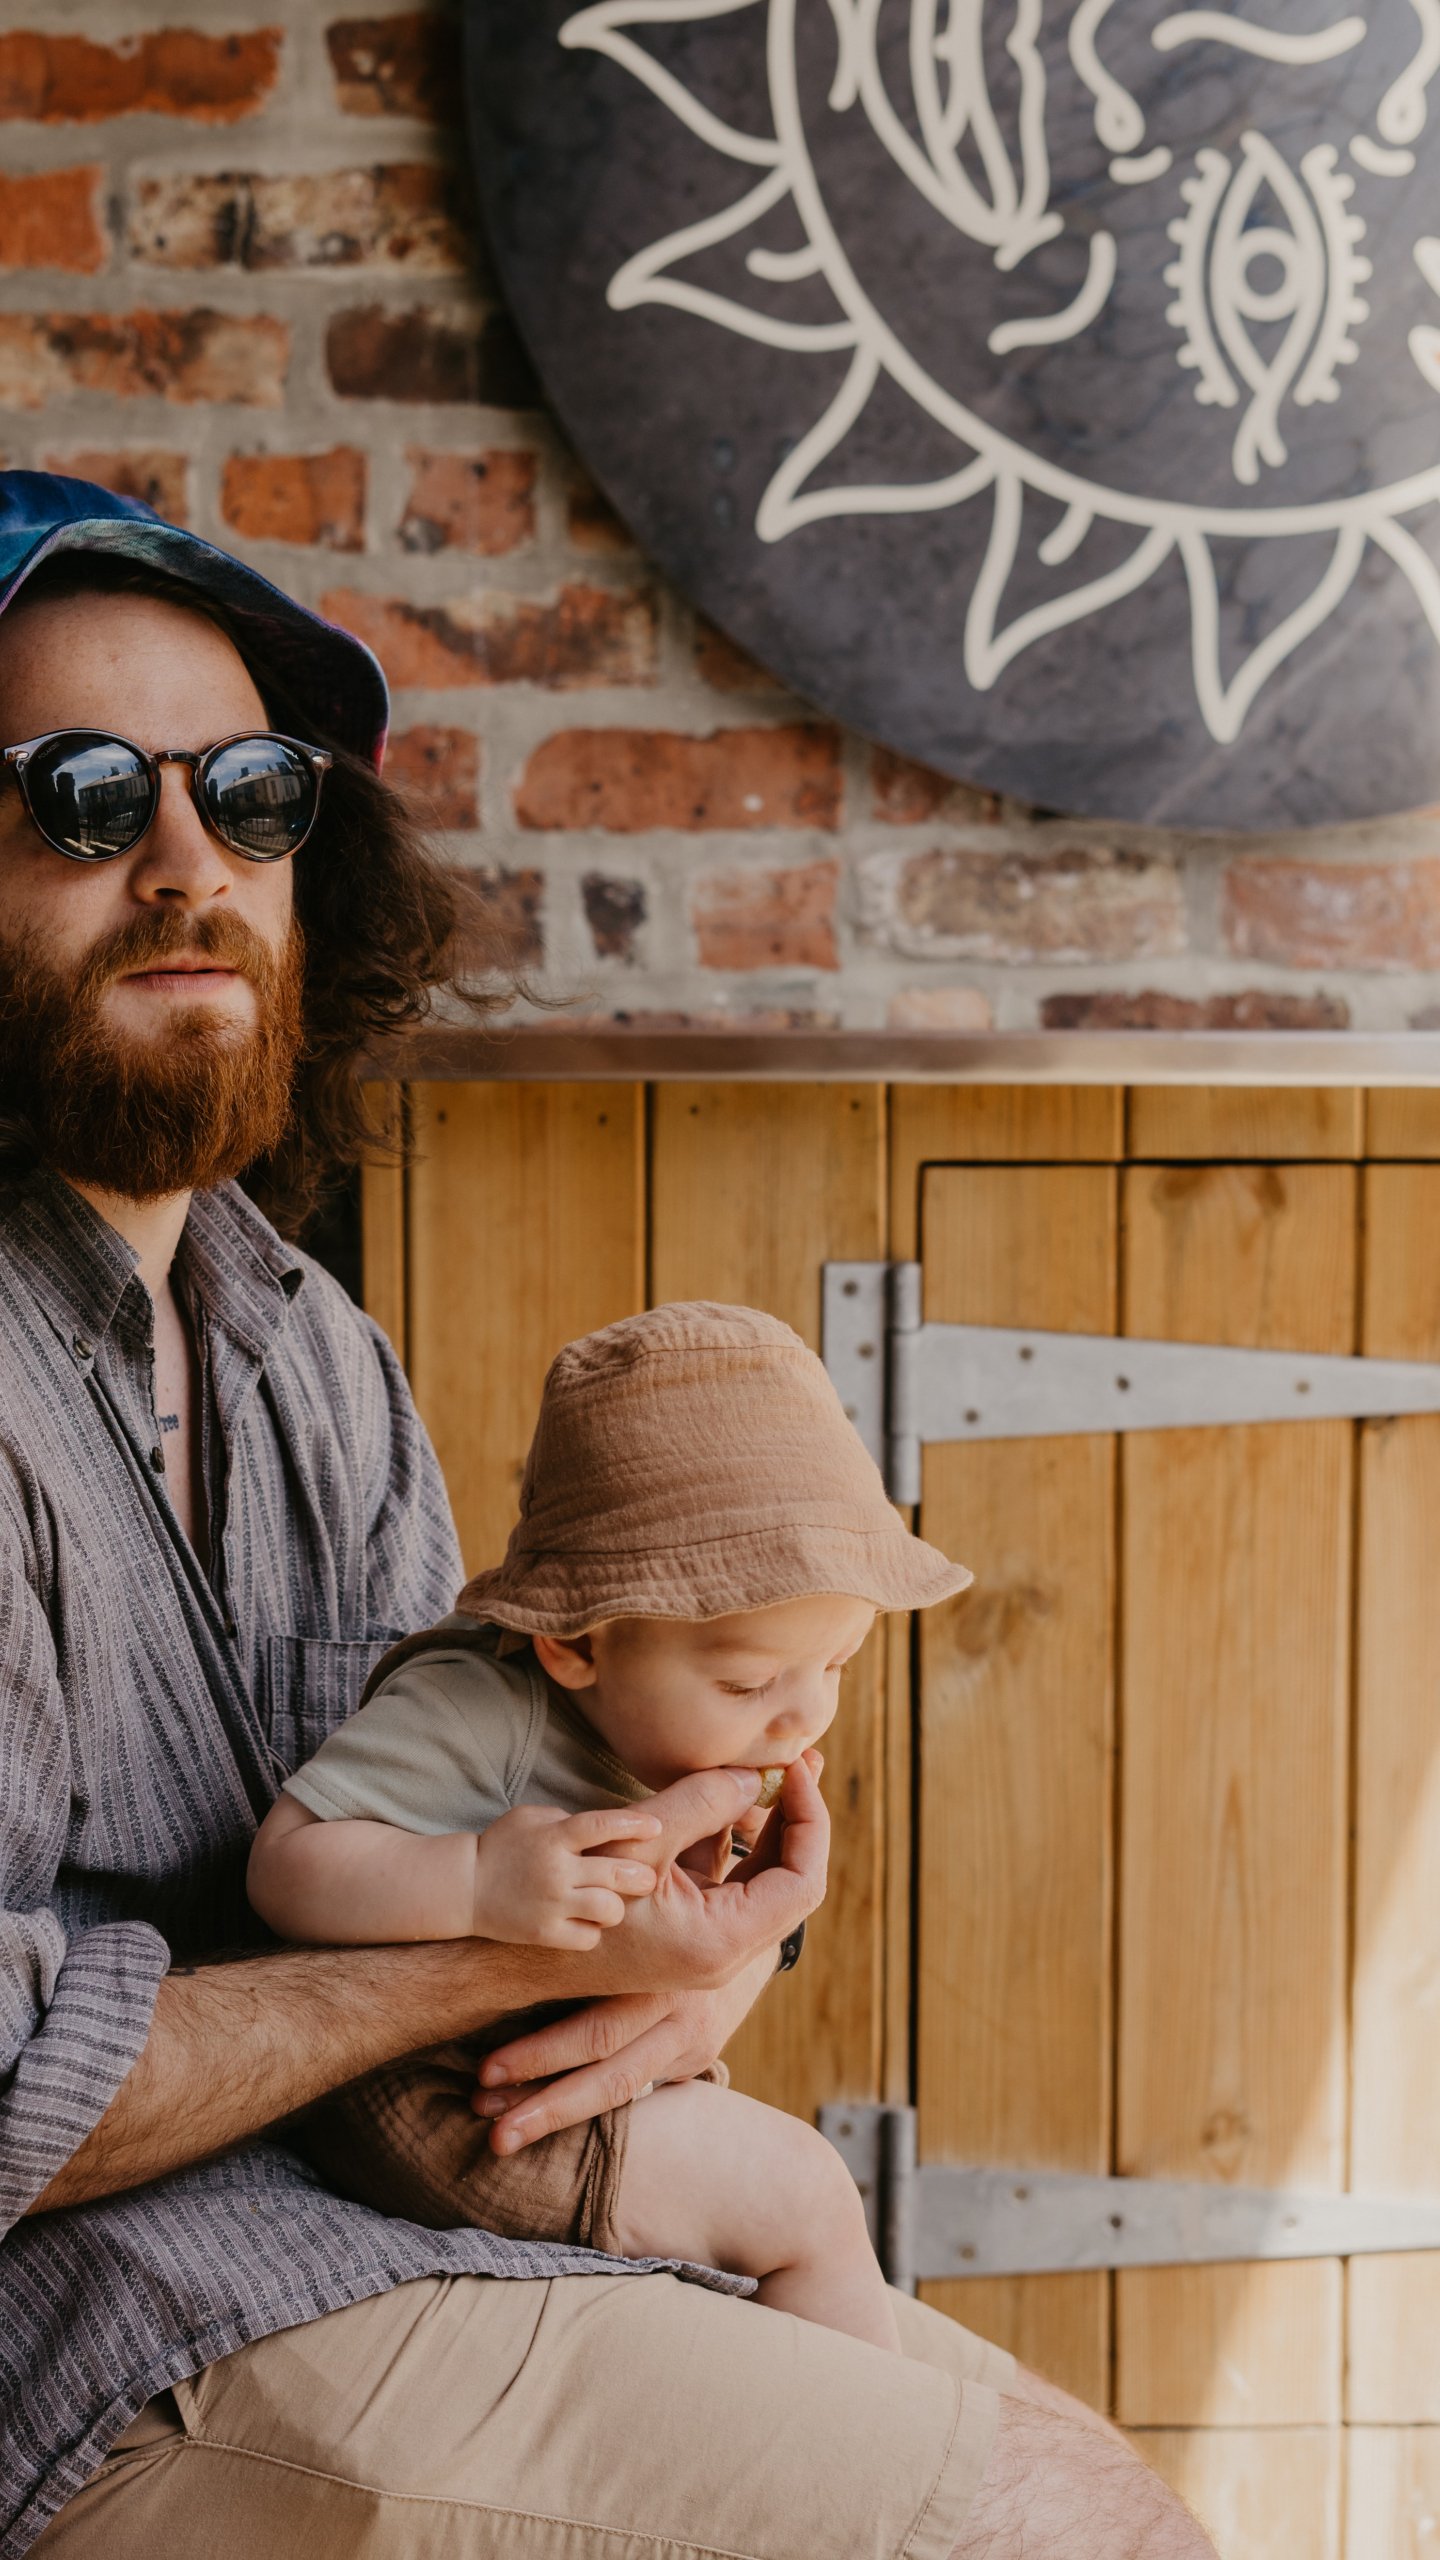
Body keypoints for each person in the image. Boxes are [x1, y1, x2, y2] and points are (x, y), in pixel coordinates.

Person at [0, 470, 1215, 2560]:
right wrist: (495, 1948)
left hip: (441, 2223)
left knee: (1129, 2518)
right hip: (110, 2354)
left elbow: (522, 1767)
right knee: (1048, 2537)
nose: (192, 864)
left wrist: (700, 1959)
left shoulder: (311, 1353)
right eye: (88, 796)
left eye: (256, 797)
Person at [249, 1300, 974, 2349]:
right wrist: (475, 1880)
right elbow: (283, 1866)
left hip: (555, 2080)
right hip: (440, 2097)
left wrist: (753, 1927)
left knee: (767, 2221)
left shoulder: (701, 1732)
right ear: (577, 1645)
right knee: (808, 2194)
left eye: (838, 1665)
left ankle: (811, 2398)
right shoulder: (476, 1708)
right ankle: (871, 2442)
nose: (802, 1715)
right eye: (748, 1681)